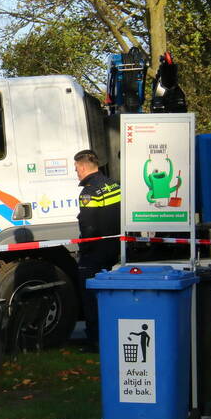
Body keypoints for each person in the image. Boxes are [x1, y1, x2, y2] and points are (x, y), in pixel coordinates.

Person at [74, 149, 121, 352]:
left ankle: (95, 340)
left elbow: (89, 225)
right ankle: (111, 335)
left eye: (76, 168)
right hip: (115, 247)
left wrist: (84, 248)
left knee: (90, 296)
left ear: (83, 167)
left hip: (95, 252)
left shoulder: (88, 191)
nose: (76, 173)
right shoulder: (113, 184)